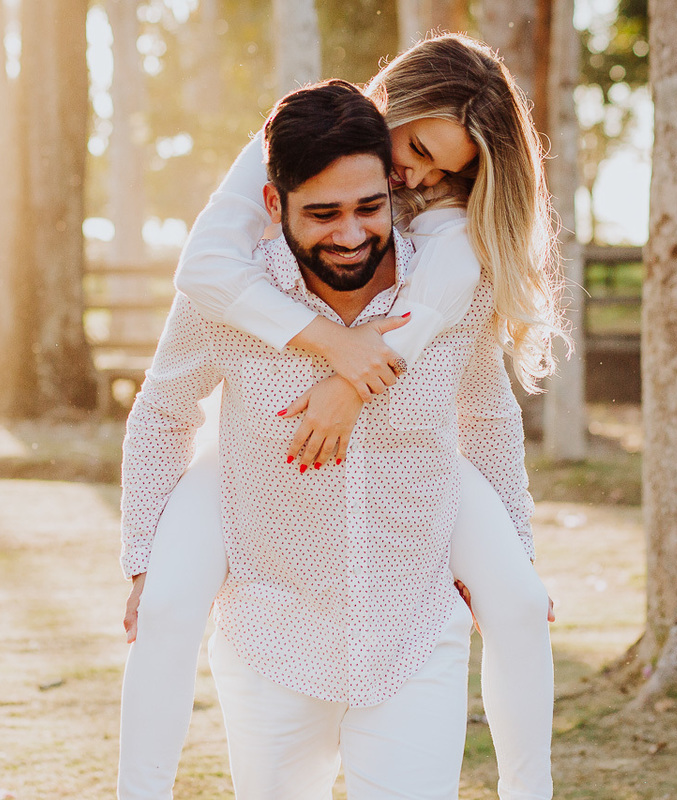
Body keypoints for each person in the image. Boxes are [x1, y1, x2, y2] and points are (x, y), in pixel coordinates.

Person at [120, 34, 563, 800]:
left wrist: (510, 556)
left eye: (435, 173)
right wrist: (139, 560)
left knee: (521, 603)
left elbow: (486, 412)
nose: (416, 175)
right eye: (417, 147)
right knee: (162, 607)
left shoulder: (451, 255)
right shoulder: (241, 244)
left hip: (408, 616)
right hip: (271, 604)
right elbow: (166, 396)